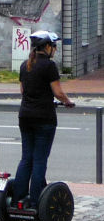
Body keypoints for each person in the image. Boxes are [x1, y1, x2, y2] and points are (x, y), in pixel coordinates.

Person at [13, 30, 74, 209]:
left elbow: (23, 91)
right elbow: (58, 92)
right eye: (54, 46)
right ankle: (34, 201)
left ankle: (18, 198)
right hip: (44, 119)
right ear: (47, 47)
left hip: (25, 117)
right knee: (39, 160)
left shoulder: (26, 65)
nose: (54, 50)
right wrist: (68, 102)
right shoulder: (49, 66)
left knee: (26, 159)